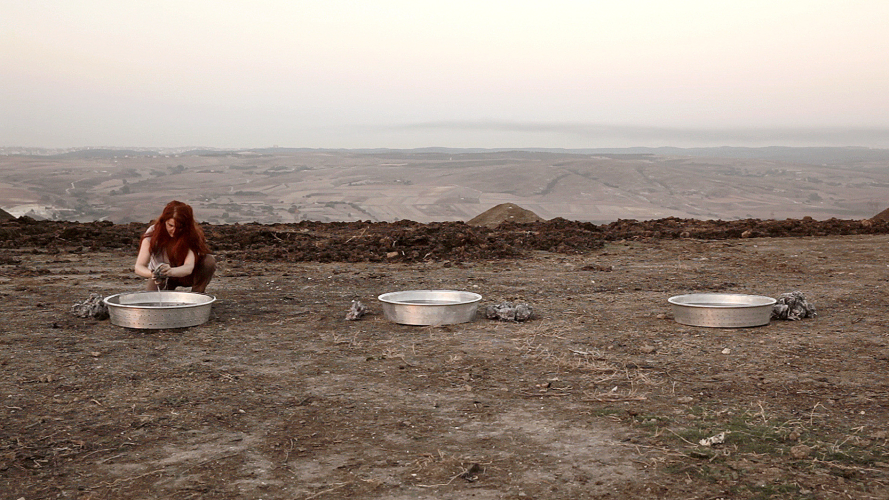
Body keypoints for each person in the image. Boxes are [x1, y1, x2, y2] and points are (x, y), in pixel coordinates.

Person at [134, 201, 216, 293]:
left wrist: (170, 271)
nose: (174, 230)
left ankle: (198, 294)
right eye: (170, 225)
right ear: (164, 221)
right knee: (152, 300)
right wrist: (153, 274)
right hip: (161, 278)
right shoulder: (152, 234)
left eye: (179, 227)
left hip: (186, 276)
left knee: (208, 261)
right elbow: (139, 267)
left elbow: (188, 267)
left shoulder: (190, 234)